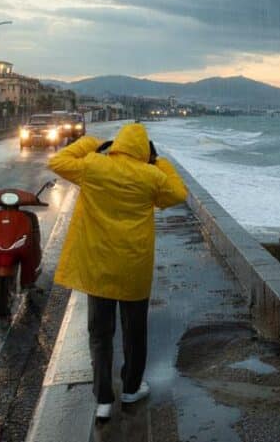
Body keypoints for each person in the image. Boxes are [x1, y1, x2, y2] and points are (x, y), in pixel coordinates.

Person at [49, 123, 188, 421]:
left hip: (98, 266)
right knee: (135, 332)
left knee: (100, 334)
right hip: (133, 268)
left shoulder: (94, 166)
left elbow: (56, 161)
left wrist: (89, 143)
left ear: (117, 145)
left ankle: (102, 400)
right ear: (143, 152)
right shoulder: (151, 176)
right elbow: (178, 193)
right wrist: (158, 161)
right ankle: (131, 388)